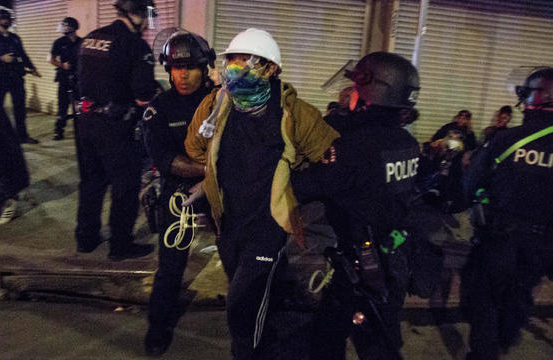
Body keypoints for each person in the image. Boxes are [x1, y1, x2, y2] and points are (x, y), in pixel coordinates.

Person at [183, 28, 340, 359]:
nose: (235, 68)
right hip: (227, 224)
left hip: (267, 227)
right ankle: (268, 339)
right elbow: (196, 148)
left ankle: (248, 354)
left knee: (241, 306)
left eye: (247, 62)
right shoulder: (215, 104)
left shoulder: (294, 112)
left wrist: (296, 188)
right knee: (250, 298)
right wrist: (207, 179)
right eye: (232, 61)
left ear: (271, 69)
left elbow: (329, 158)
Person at [461, 67, 553, 360]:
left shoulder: (506, 139)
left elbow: (469, 186)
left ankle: (484, 353)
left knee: (485, 297)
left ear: (536, 96)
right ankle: (504, 342)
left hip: (499, 239)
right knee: (520, 294)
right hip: (548, 245)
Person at [291, 51, 421, 359]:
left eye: (355, 88)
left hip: (364, 266)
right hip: (392, 254)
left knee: (371, 344)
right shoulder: (406, 142)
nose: (349, 94)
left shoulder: (352, 148)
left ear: (370, 93)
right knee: (351, 331)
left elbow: (302, 188)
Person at [141, 30, 217, 356]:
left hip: (223, 193)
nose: (182, 75)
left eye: (189, 68)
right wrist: (211, 170)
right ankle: (158, 328)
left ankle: (252, 327)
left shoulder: (223, 100)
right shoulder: (159, 110)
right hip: (180, 193)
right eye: (174, 68)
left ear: (205, 68)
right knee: (171, 266)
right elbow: (167, 161)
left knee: (243, 260)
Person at [75, 0, 157, 261]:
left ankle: (86, 239)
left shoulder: (91, 38)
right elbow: (144, 96)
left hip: (84, 122)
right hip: (116, 127)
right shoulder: (136, 46)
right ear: (138, 14)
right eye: (146, 17)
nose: (146, 24)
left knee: (91, 182)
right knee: (125, 186)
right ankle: (120, 245)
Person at [0, 8, 41, 144]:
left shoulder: (15, 38)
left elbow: (23, 54)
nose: (6, 20)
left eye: (7, 18)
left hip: (16, 76)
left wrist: (32, 68)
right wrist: (0, 58)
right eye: (2, 18)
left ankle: (22, 135)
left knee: (19, 107)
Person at [49, 17, 82, 141]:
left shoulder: (82, 42)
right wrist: (62, 65)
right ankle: (59, 130)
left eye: (65, 25)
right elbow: (50, 59)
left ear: (72, 27)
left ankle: (81, 129)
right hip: (64, 78)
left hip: (78, 79)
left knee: (80, 105)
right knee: (62, 105)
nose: (62, 28)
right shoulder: (59, 42)